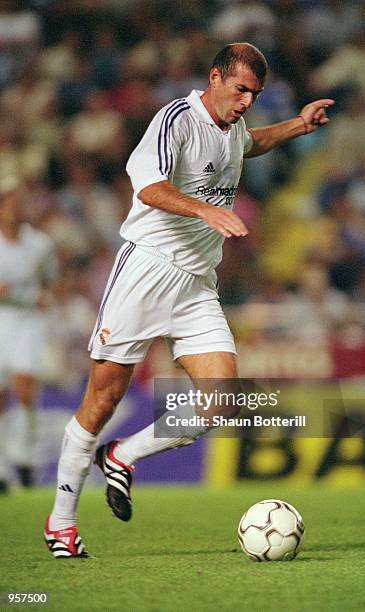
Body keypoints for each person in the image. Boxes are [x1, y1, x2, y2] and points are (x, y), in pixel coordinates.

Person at [44, 43, 333, 558]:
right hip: (146, 273)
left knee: (222, 398)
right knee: (102, 399)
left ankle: (124, 455)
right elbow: (149, 187)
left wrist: (297, 125)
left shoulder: (232, 127)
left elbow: (250, 144)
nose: (246, 101)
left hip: (197, 284)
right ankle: (61, 524)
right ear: (215, 77)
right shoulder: (176, 117)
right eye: (240, 89)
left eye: (255, 94)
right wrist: (206, 211)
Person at [0, 177, 57, 493]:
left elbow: (50, 281)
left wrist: (44, 296)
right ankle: (1, 468)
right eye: (9, 203)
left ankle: (23, 459)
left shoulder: (40, 244)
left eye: (19, 203)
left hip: (27, 322)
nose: (14, 209)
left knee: (24, 389)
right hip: (0, 319)